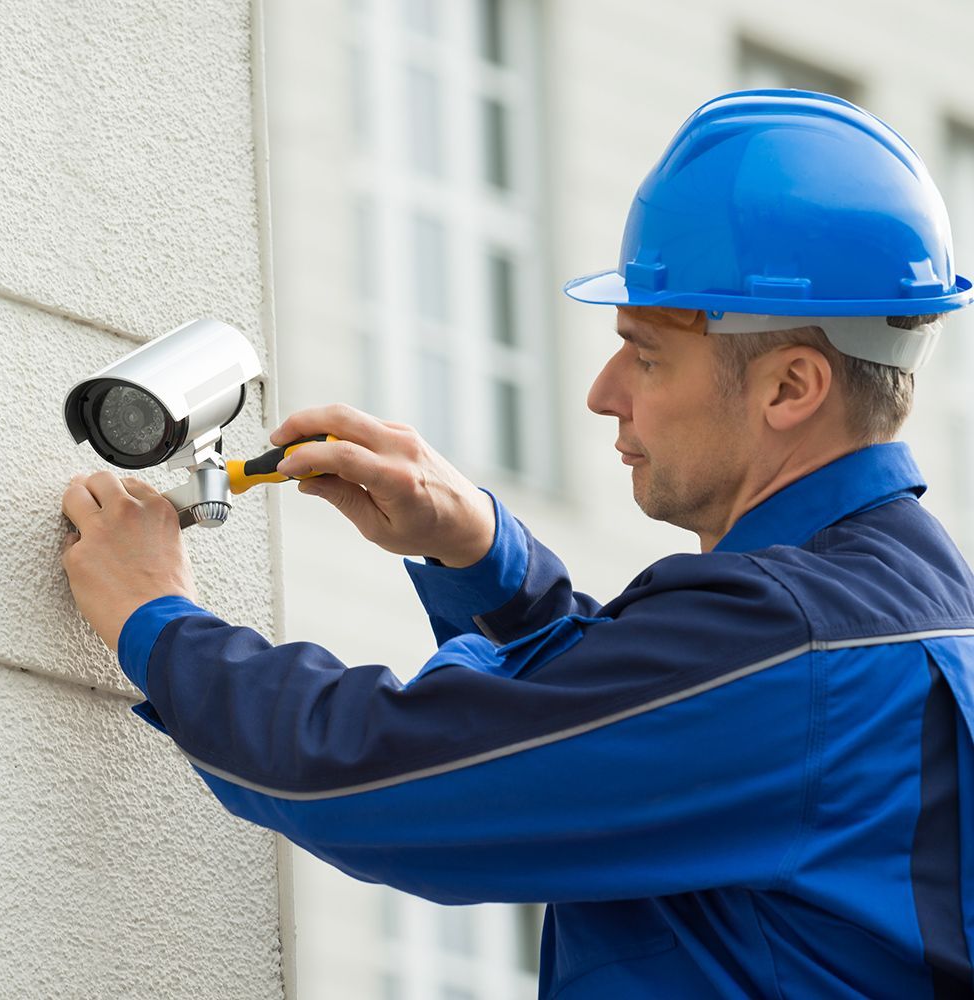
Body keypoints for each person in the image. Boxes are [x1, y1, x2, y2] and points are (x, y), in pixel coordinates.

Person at [61, 90, 974, 998]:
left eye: (647, 354)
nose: (604, 392)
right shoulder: (900, 615)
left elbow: (375, 776)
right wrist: (482, 555)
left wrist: (156, 615)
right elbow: (625, 732)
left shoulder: (790, 645)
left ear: (791, 388)